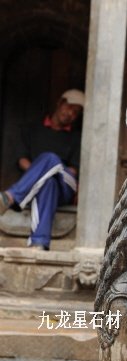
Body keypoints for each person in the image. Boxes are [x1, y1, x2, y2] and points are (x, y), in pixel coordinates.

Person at [0, 89, 85, 250]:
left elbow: (73, 170)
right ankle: (39, 242)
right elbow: (22, 160)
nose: (70, 114)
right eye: (69, 107)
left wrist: (45, 168)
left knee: (50, 159)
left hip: (67, 183)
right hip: (40, 185)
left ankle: (11, 197)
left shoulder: (76, 138)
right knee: (48, 183)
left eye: (76, 112)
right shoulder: (32, 129)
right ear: (60, 103)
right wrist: (41, 173)